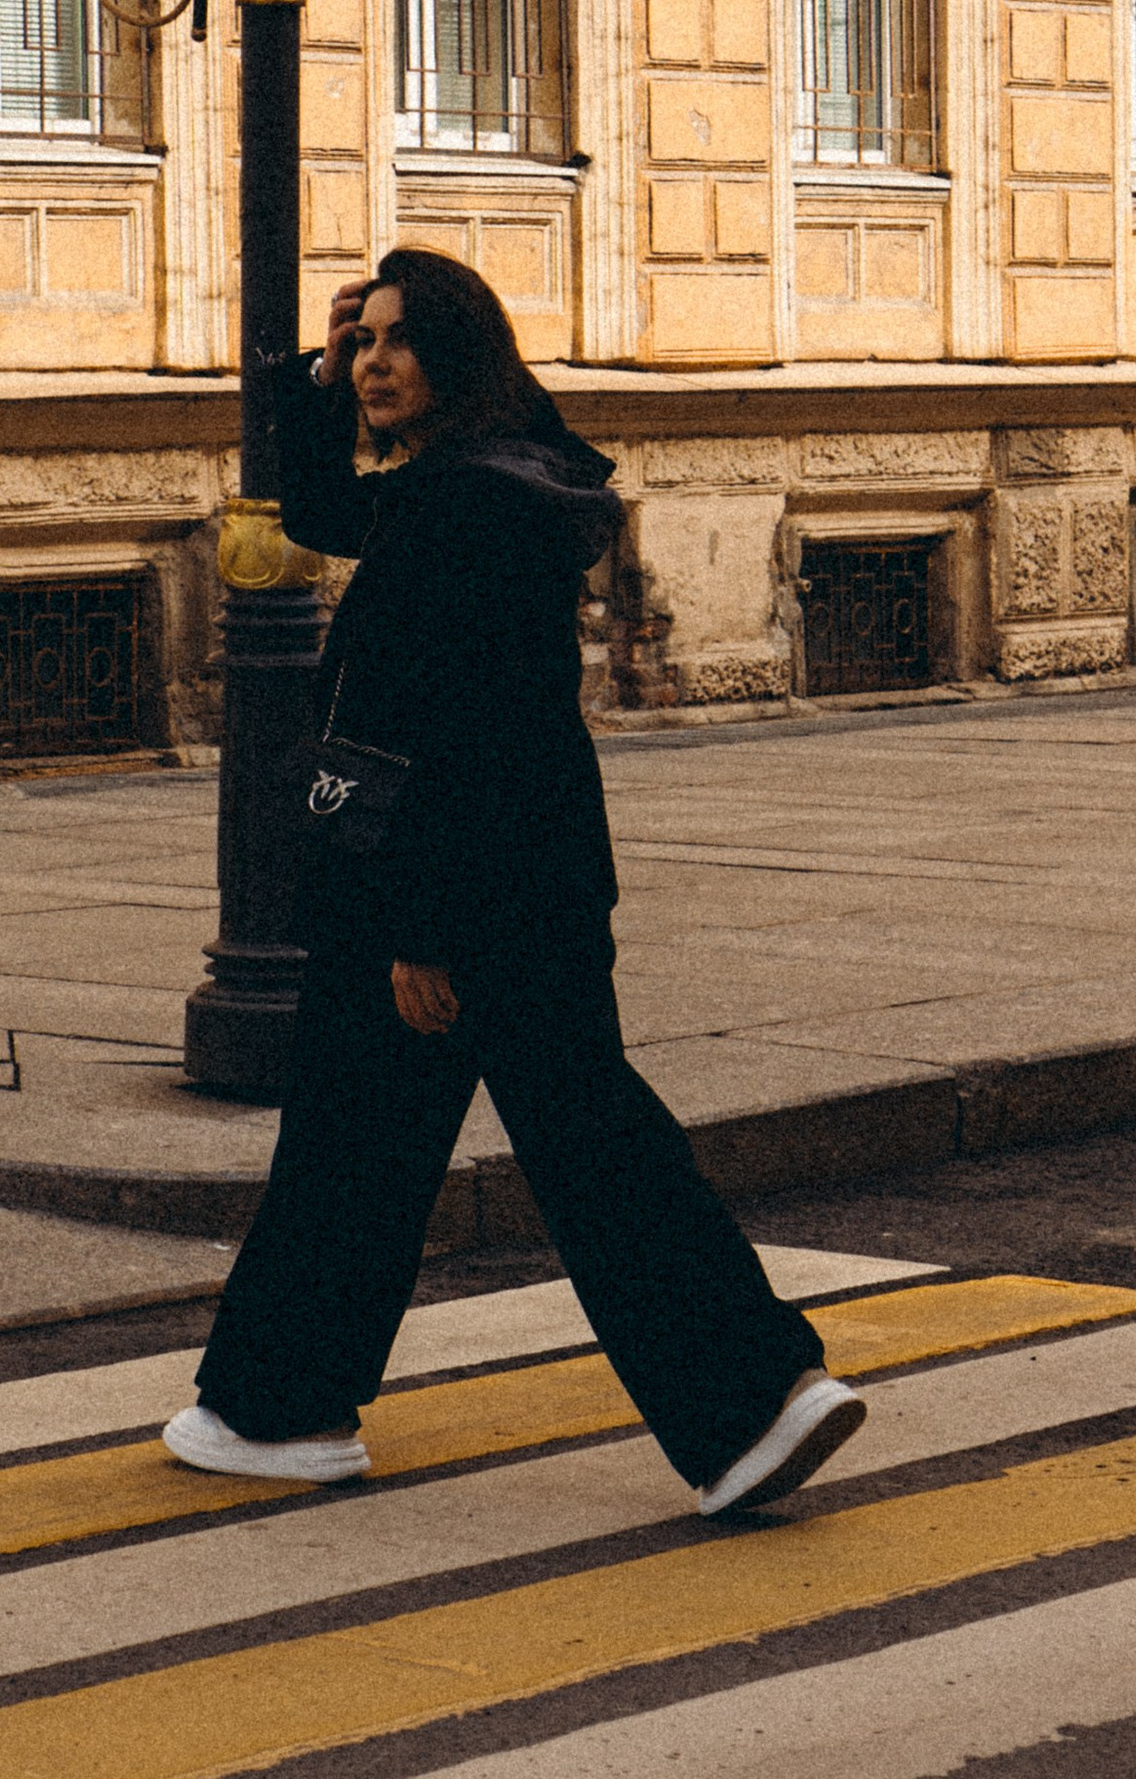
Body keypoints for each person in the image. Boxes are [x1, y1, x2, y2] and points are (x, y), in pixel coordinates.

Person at [164, 248, 866, 1516]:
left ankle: (286, 1410)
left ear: (458, 359)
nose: (374, 362)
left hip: (446, 894)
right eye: (363, 341)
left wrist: (422, 930)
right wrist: (315, 383)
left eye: (397, 342)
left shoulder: (457, 514)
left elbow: (464, 730)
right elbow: (328, 515)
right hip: (529, 878)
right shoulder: (498, 484)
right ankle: (751, 1395)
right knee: (494, 1142)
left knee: (395, 1150)